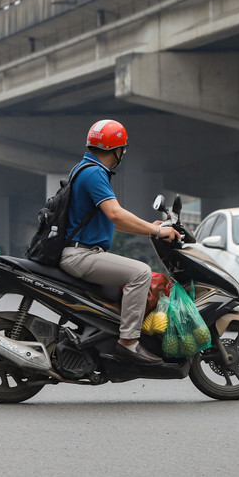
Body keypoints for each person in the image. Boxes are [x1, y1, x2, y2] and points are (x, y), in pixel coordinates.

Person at [59, 119, 178, 366]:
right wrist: (157, 233)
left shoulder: (85, 168)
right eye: (122, 148)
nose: (122, 153)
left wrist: (150, 228)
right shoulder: (94, 172)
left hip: (80, 252)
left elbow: (117, 221)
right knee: (141, 273)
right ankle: (129, 343)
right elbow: (116, 214)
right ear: (117, 150)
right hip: (81, 255)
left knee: (135, 273)